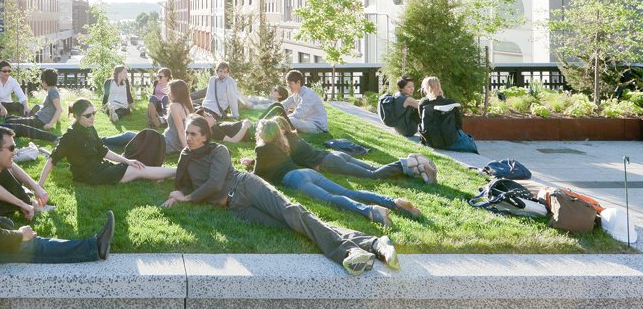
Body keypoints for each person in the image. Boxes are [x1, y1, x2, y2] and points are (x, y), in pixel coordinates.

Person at [162, 116, 397, 275]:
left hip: (247, 186)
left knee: (294, 213)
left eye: (193, 134)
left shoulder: (219, 150)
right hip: (237, 206)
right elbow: (182, 183)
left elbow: (214, 184)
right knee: (291, 225)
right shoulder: (186, 155)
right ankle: (373, 242)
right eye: (187, 133)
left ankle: (349, 252)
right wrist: (176, 194)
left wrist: (188, 198)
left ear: (205, 135)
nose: (189, 137)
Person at [0, 126, 114, 309]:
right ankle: (92, 247)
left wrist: (12, 231)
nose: (15, 152)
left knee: (35, 245)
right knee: (27, 240)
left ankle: (94, 246)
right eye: (11, 148)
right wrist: (19, 234)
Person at [249, 117, 420, 227]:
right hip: (308, 173)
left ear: (262, 133)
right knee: (348, 192)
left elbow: (256, 177)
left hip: (297, 178)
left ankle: (369, 211)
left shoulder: (261, 147)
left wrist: (249, 166)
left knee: (330, 199)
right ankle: (392, 202)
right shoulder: (283, 144)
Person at [39, 99, 177, 185]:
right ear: (76, 116)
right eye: (88, 115)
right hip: (89, 175)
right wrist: (39, 186)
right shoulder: (70, 136)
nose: (92, 117)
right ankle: (178, 171)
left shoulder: (89, 128)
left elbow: (103, 150)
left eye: (94, 113)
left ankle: (169, 174)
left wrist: (126, 161)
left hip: (100, 167)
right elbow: (52, 159)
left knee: (133, 166)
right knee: (137, 170)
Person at [272, 116, 437, 184]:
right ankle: (416, 168)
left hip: (329, 163)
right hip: (335, 155)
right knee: (374, 169)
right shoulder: (295, 137)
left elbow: (285, 163)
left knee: (373, 175)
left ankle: (408, 162)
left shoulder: (286, 143)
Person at [102, 79, 194, 155]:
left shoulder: (175, 106)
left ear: (176, 92)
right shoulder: (187, 107)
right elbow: (182, 128)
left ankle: (100, 140)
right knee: (129, 144)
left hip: (165, 144)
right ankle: (98, 146)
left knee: (128, 135)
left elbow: (181, 131)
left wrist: (187, 150)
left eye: (170, 91)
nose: (168, 94)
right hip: (170, 145)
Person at [419, 76, 479, 153]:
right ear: (439, 86)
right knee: (471, 142)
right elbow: (459, 124)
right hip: (450, 139)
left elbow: (421, 119)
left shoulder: (423, 102)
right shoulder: (451, 102)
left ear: (426, 88)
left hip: (431, 140)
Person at [388, 77, 423, 141]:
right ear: (401, 88)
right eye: (409, 87)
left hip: (398, 129)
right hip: (407, 131)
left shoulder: (396, 95)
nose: (412, 89)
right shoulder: (408, 99)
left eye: (413, 86)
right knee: (424, 110)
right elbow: (422, 107)